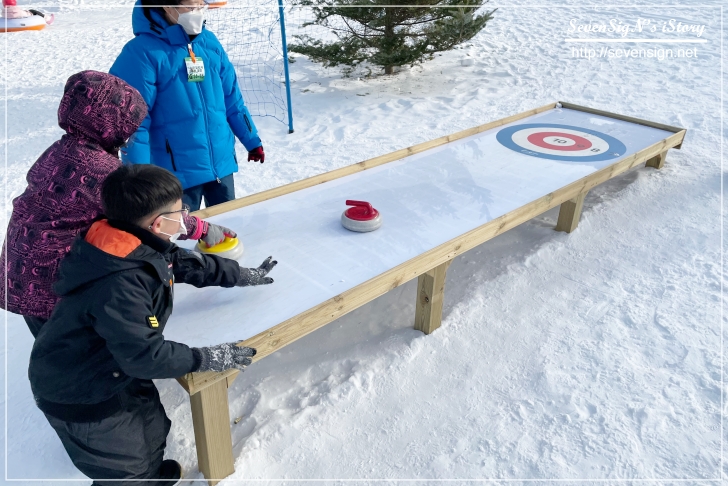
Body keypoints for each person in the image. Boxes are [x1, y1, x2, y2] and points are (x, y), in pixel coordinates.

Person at [28, 164, 277, 485]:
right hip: (82, 392)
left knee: (151, 427)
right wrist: (205, 358)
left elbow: (184, 263)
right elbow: (145, 355)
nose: (184, 217)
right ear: (159, 223)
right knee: (123, 468)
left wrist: (241, 274)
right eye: (180, 212)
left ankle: (151, 473)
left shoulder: (127, 239)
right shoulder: (119, 284)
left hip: (113, 364)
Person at [0, 70, 236, 338]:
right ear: (107, 122)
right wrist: (200, 229)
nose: (130, 134)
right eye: (128, 125)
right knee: (80, 354)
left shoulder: (60, 149)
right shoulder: (101, 170)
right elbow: (149, 212)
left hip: (19, 271)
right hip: (55, 281)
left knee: (53, 348)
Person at [109, 0, 265, 212]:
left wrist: (251, 139)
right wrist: (139, 175)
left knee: (226, 225)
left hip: (221, 165)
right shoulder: (141, 53)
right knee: (179, 231)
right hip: (175, 174)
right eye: (191, 7)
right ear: (167, 6)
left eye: (201, 5)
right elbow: (134, 122)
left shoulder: (209, 42)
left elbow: (232, 99)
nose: (198, 12)